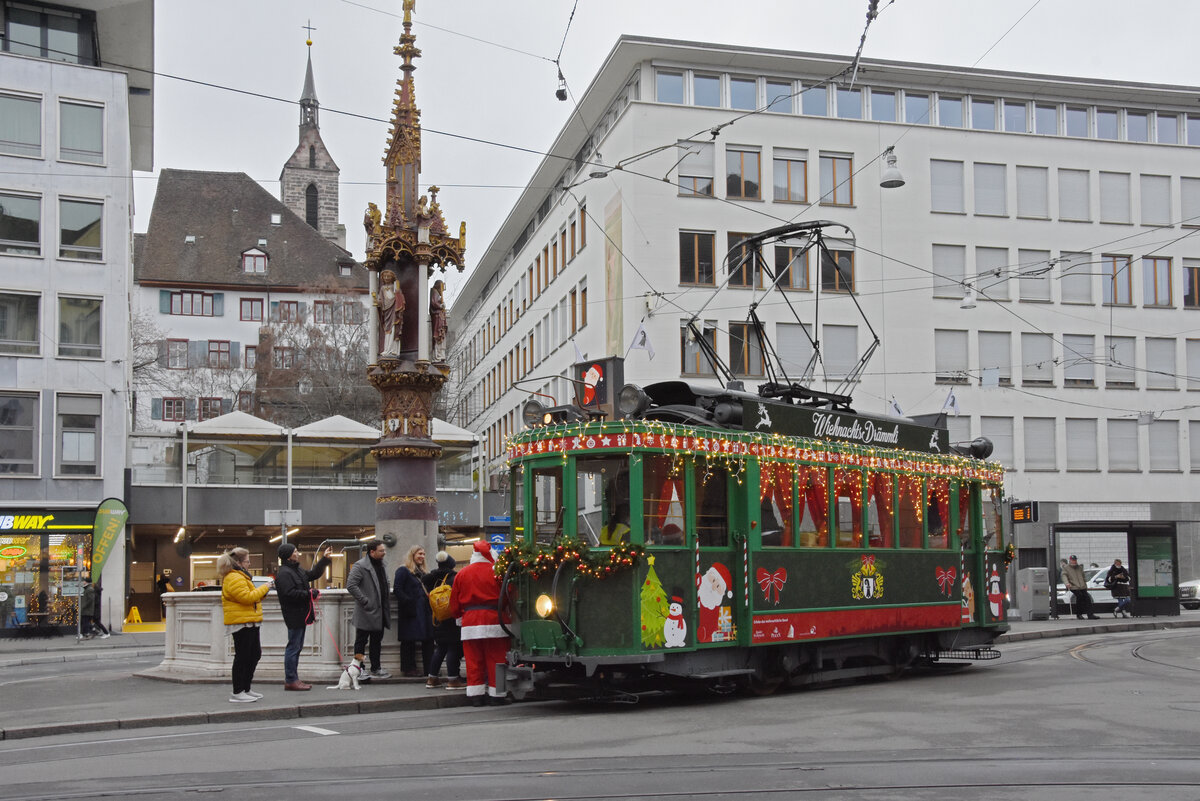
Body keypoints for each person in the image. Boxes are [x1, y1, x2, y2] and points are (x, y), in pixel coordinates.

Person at [448, 540, 511, 706]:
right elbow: (509, 595)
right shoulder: (499, 571)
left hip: (470, 622)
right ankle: (498, 695)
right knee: (498, 659)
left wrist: (458, 616)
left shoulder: (462, 574)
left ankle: (476, 696)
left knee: (473, 660)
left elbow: (454, 602)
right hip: (496, 620)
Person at [274, 543, 333, 690]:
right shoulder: (284, 574)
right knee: (293, 647)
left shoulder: (295, 570)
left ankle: (293, 679)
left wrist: (324, 560)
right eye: (295, 552)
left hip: (300, 613)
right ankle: (291, 680)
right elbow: (289, 594)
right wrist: (309, 594)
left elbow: (312, 574)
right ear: (289, 555)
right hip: (294, 614)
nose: (298, 553)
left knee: (296, 647)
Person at [217, 547, 272, 703]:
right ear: (240, 562)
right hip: (241, 622)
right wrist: (265, 587)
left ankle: (245, 689)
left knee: (253, 654)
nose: (250, 563)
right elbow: (247, 598)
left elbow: (251, 598)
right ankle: (238, 691)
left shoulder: (240, 577)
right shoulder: (235, 578)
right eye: (248, 561)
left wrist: (262, 592)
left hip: (248, 621)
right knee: (243, 656)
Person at [346, 539, 391, 680]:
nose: (384, 553)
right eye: (381, 550)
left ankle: (376, 667)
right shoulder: (360, 566)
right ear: (372, 552)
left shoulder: (382, 565)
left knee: (376, 641)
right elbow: (351, 585)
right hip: (367, 611)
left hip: (379, 611)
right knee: (361, 642)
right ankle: (360, 669)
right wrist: (365, 600)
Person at [422, 551, 465, 689]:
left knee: (440, 649)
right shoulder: (454, 578)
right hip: (452, 618)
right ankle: (453, 680)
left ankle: (432, 678)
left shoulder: (431, 579)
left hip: (437, 618)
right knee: (453, 648)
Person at [392, 545, 434, 678]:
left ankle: (430, 668)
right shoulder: (403, 570)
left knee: (428, 639)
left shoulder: (424, 572)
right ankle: (409, 668)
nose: (422, 556)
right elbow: (397, 589)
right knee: (408, 641)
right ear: (413, 555)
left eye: (423, 554)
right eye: (419, 554)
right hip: (411, 611)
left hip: (424, 610)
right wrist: (408, 602)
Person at [377, 269, 404, 357]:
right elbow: (381, 299)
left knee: (394, 328)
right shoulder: (382, 288)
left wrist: (398, 292)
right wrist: (378, 302)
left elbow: (400, 297)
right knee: (387, 330)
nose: (386, 278)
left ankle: (393, 350)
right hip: (386, 310)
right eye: (385, 277)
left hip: (394, 310)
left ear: (392, 278)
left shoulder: (394, 286)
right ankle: (386, 349)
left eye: (388, 276)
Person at [1062, 554, 1099, 620]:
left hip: (1082, 586)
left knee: (1087, 599)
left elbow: (1083, 577)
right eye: (1073, 560)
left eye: (1075, 560)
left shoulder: (1079, 567)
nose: (1074, 561)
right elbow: (1064, 576)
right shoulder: (1066, 568)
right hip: (1073, 586)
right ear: (1070, 560)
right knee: (1080, 597)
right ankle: (1079, 614)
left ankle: (1090, 614)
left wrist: (1085, 585)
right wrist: (1067, 583)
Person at [430, 279, 448, 361]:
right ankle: (438, 355)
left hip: (440, 317)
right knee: (438, 334)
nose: (442, 291)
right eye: (441, 288)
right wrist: (441, 306)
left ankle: (440, 354)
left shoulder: (437, 293)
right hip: (437, 318)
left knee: (442, 335)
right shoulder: (434, 292)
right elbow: (434, 303)